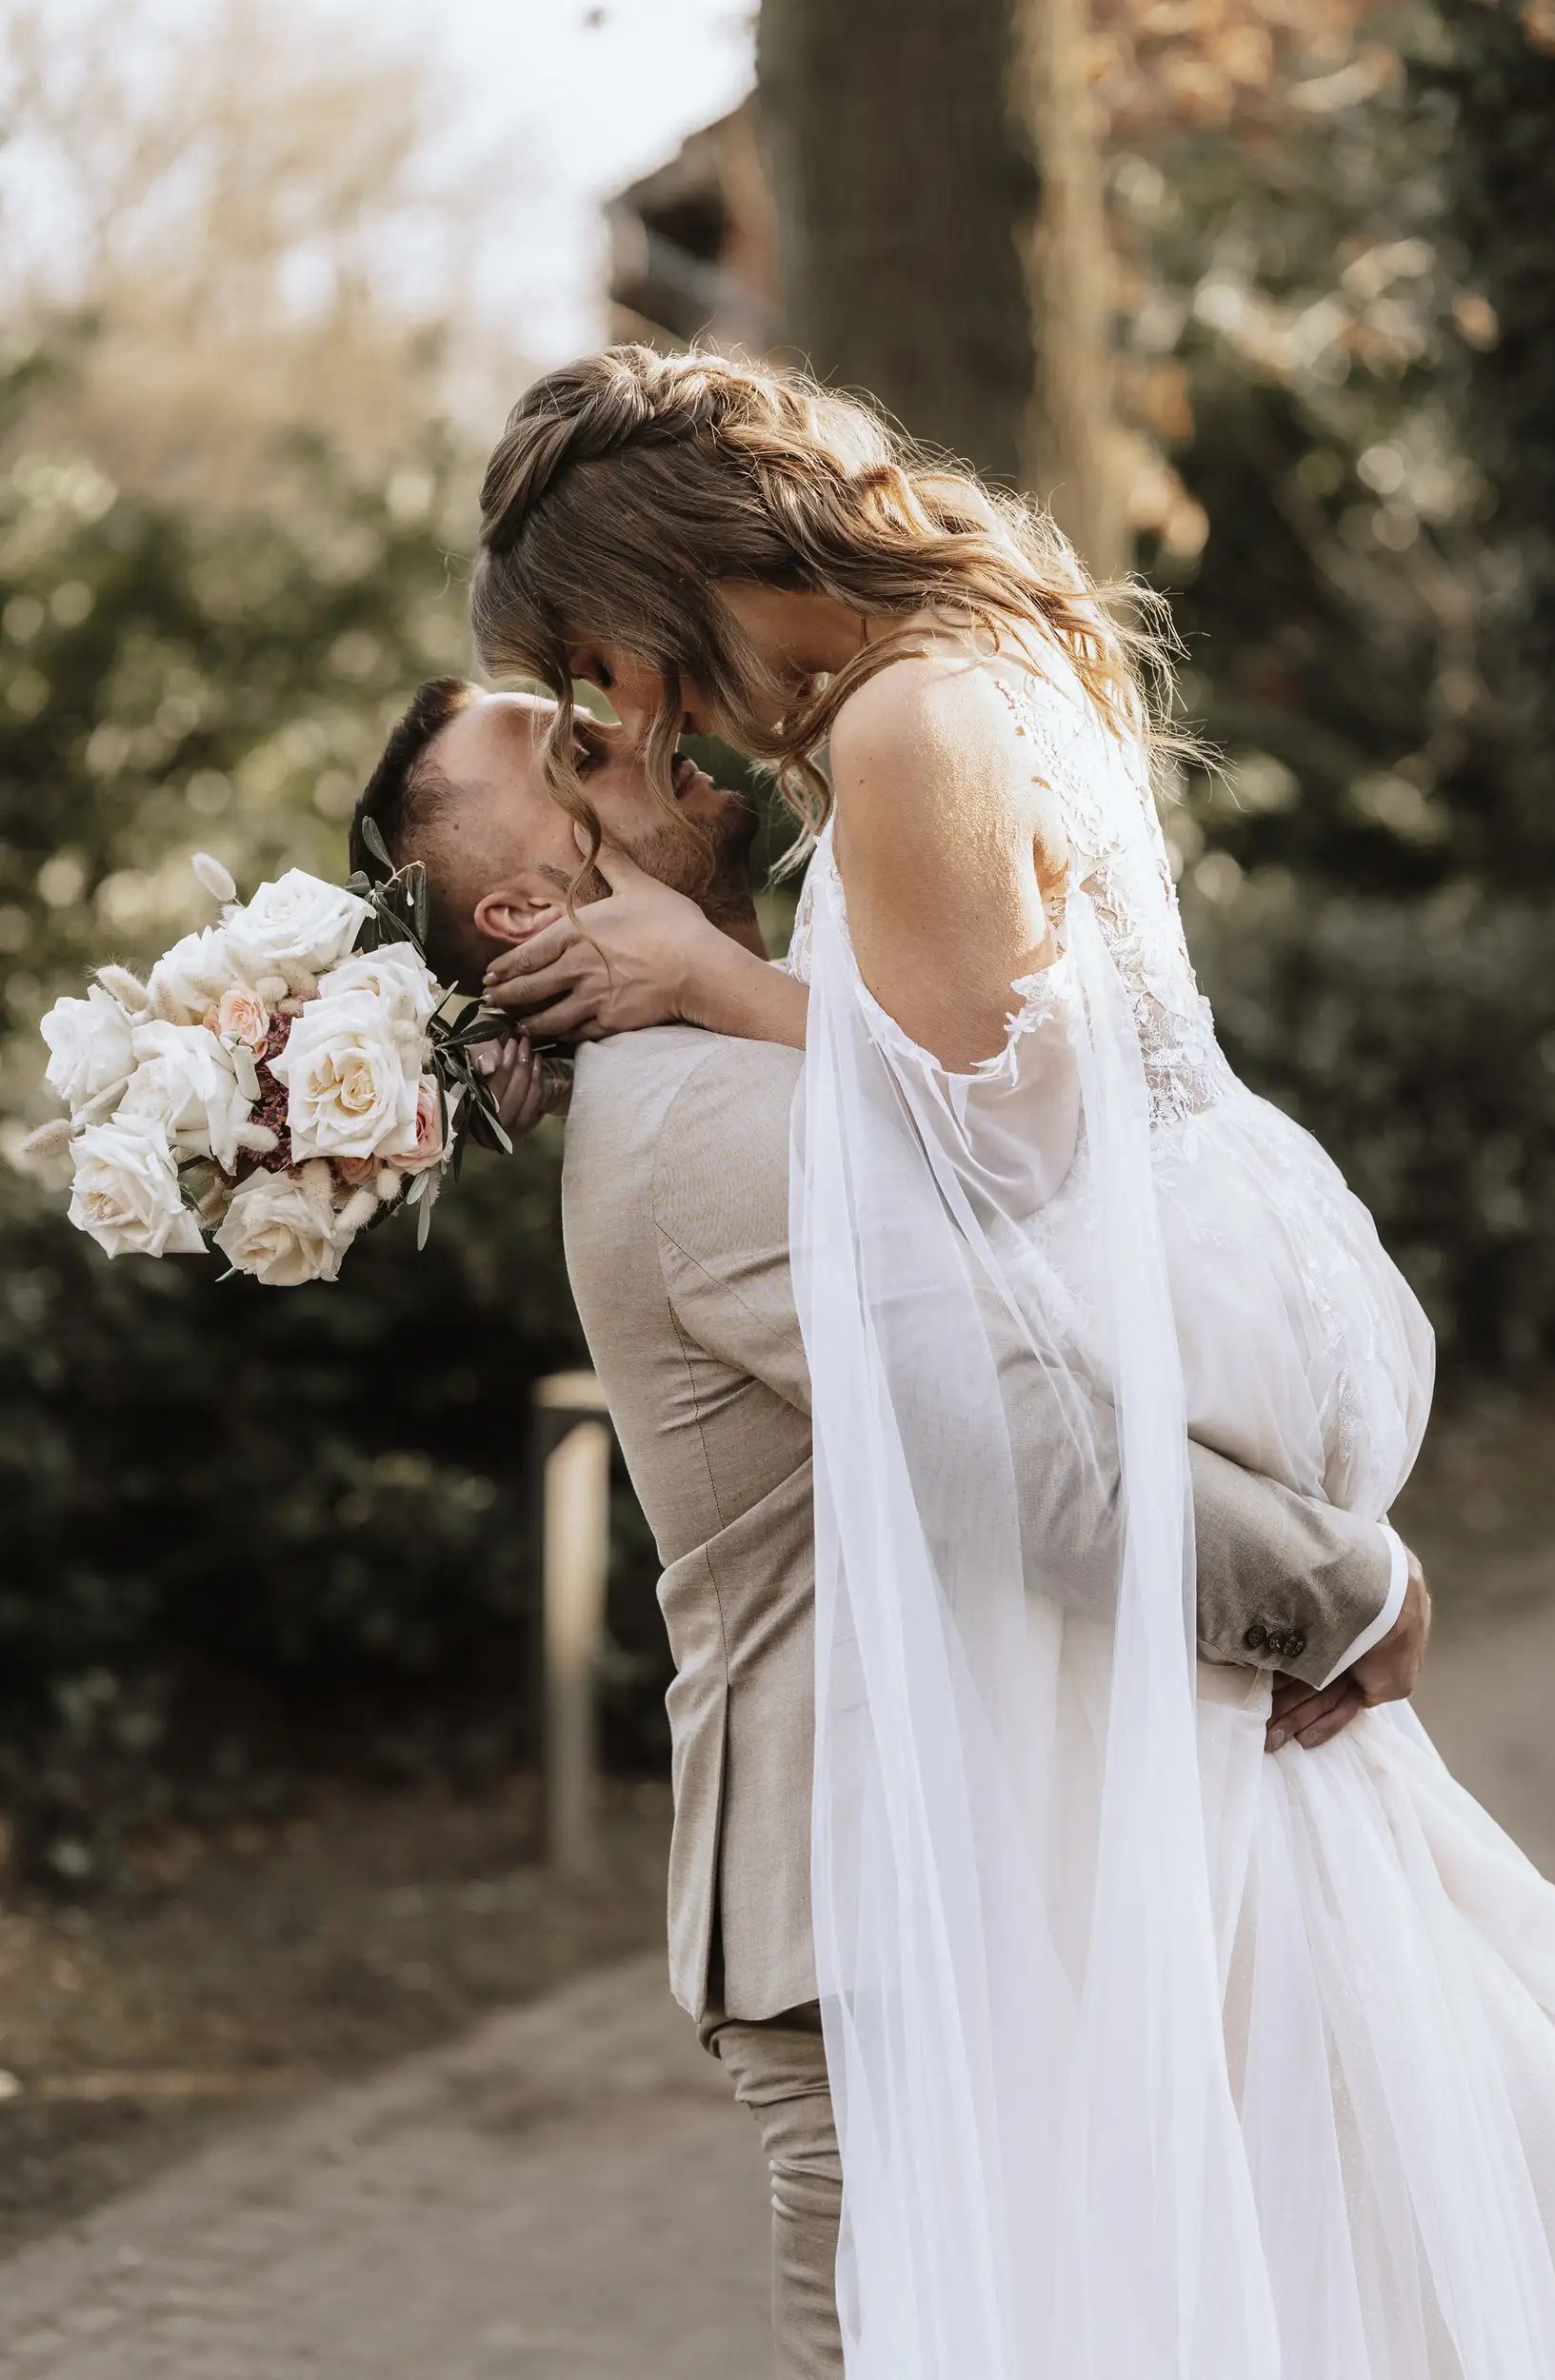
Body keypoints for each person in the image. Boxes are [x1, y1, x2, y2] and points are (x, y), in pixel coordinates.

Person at [352, 682, 1428, 2379]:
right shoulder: (696, 1125)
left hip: (942, 1868)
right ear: (526, 910)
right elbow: (1038, 1461)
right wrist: (1349, 1590)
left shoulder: (746, 1043)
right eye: (572, 757)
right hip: (866, 1913)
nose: (632, 723)